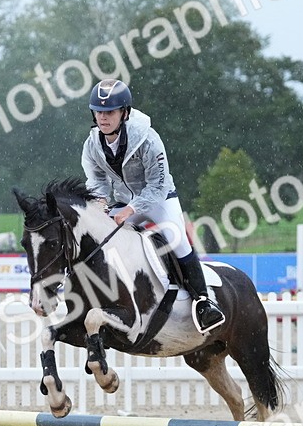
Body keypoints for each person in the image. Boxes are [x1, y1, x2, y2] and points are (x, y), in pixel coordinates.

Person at [80, 78, 225, 333]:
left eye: (110, 112)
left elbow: (157, 186)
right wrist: (101, 202)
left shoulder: (147, 139)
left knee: (177, 239)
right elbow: (96, 180)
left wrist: (131, 210)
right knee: (100, 235)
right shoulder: (93, 143)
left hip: (160, 200)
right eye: (99, 112)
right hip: (124, 200)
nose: (103, 117)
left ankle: (204, 303)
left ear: (124, 113)